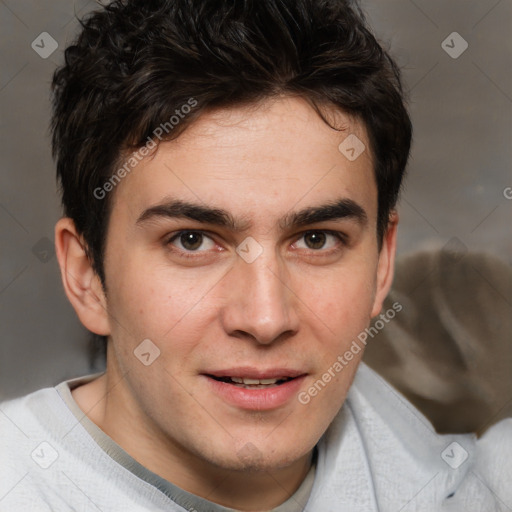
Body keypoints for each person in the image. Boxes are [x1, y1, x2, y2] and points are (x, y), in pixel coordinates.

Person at [0, 0, 510, 510]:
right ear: (87, 275)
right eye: (192, 240)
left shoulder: (470, 491)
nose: (266, 319)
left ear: (381, 265)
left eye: (316, 239)